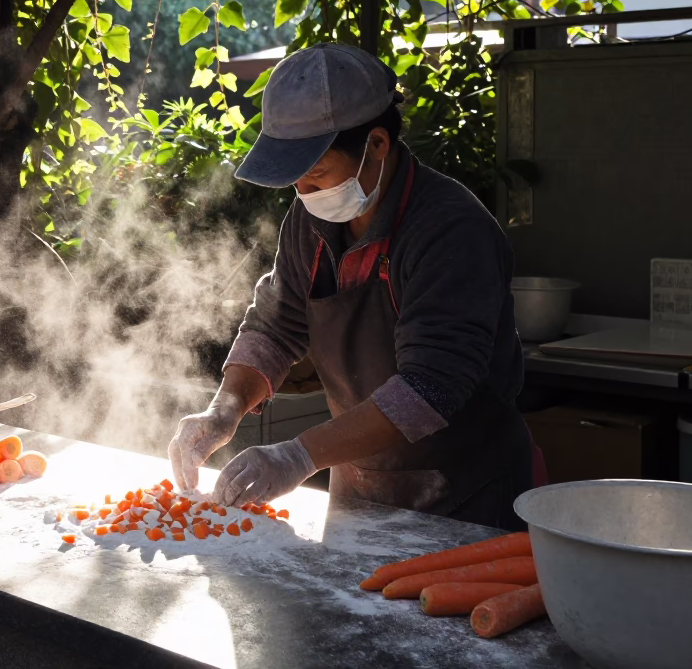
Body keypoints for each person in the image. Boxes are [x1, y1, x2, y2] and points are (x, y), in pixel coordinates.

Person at [167, 44, 533, 528]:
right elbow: (276, 327)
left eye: (316, 174)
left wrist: (298, 456)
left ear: (377, 145)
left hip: (466, 499)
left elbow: (430, 388)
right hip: (358, 493)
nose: (303, 193)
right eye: (295, 180)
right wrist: (224, 410)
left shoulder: (452, 231)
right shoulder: (310, 220)